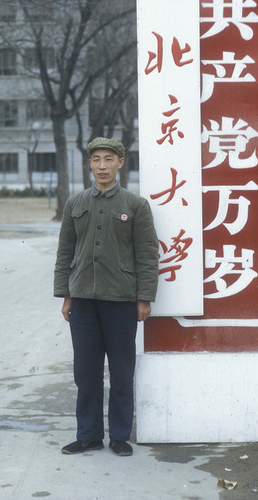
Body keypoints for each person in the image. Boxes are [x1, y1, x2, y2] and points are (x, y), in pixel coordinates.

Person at [54, 137, 158, 457]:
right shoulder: (75, 203)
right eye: (96, 159)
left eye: (109, 159)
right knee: (86, 372)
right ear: (89, 163)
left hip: (122, 300)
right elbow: (65, 252)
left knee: (121, 371)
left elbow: (147, 254)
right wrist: (66, 295)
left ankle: (120, 436)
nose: (102, 166)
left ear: (120, 163)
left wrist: (144, 298)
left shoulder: (135, 205)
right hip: (83, 298)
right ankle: (88, 434)